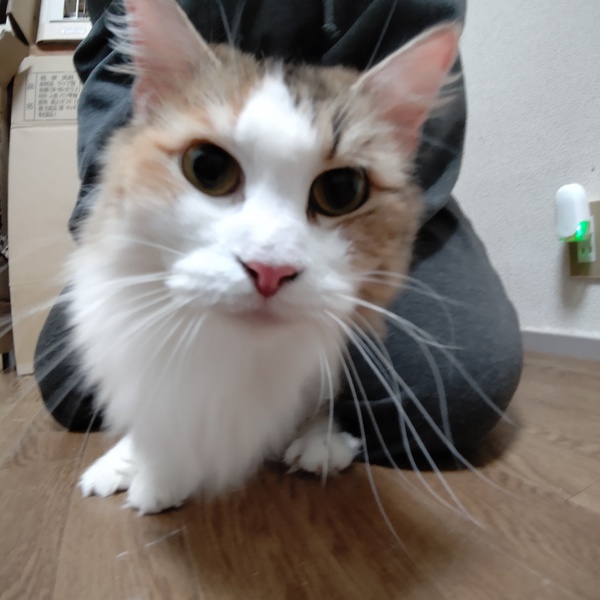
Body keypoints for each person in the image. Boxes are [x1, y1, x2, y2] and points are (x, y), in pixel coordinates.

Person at [34, 0, 523, 466]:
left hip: (369, 210)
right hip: (176, 173)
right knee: (67, 380)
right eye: (211, 169)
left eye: (337, 190)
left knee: (459, 385)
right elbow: (113, 69)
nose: (268, 263)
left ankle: (313, 415)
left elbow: (405, 156)